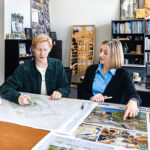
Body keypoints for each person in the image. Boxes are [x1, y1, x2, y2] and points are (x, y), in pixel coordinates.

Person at [78, 39, 141, 120]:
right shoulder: (91, 69)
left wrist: (133, 101)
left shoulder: (123, 74)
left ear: (115, 55)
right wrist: (92, 97)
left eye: (105, 53)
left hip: (110, 116)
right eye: (100, 51)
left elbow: (134, 94)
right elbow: (81, 92)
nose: (100, 55)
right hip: (88, 113)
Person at [0, 34, 70, 105]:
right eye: (39, 49)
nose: (42, 53)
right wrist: (17, 97)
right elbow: (4, 88)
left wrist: (60, 92)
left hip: (53, 105)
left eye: (45, 50)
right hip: (31, 107)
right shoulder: (23, 69)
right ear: (33, 49)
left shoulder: (58, 65)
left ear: (50, 49)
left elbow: (66, 87)